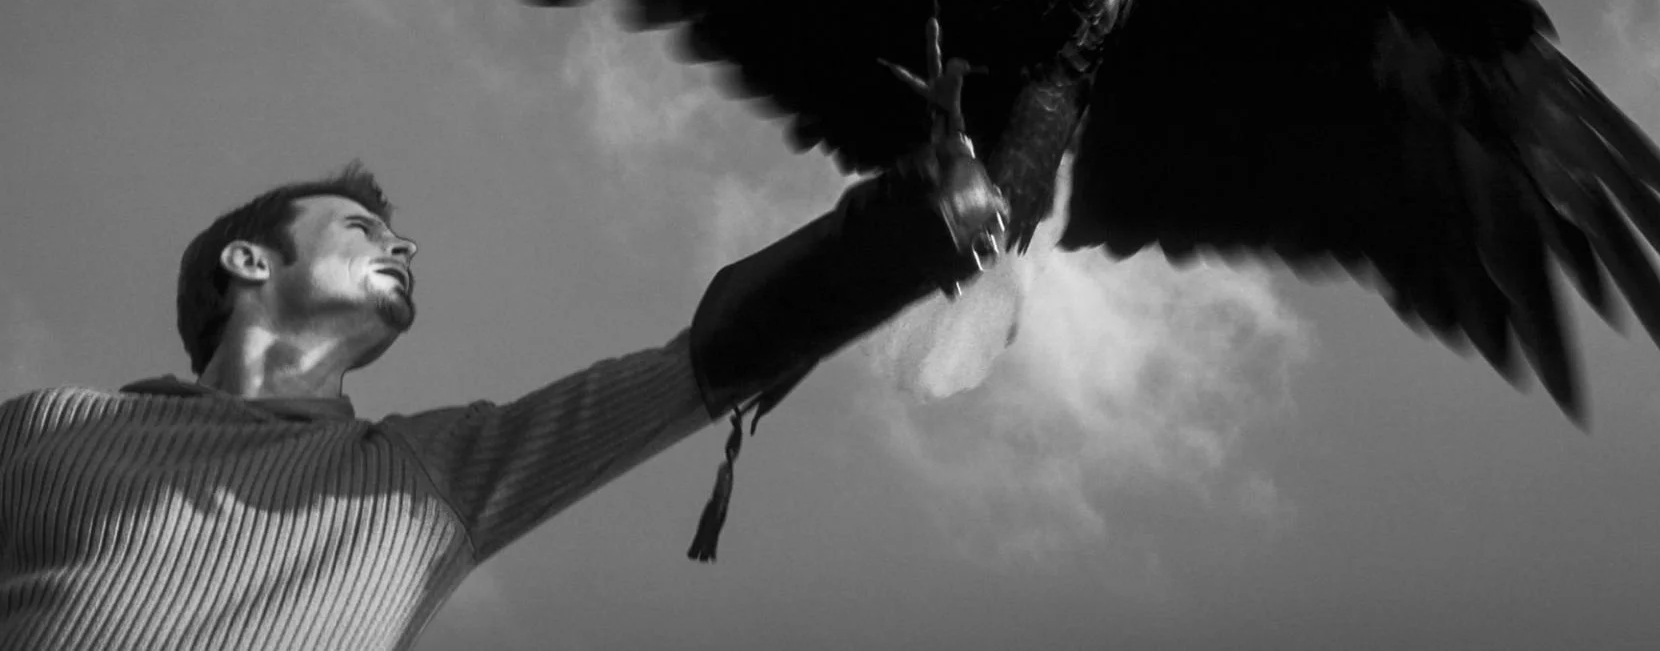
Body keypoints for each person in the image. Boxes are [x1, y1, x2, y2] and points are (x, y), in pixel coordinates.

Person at [0, 135, 1001, 651]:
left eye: (397, 237)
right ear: (249, 260)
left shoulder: (422, 478)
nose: (400, 246)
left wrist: (882, 244)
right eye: (359, 229)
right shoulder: (46, 430)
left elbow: (688, 373)